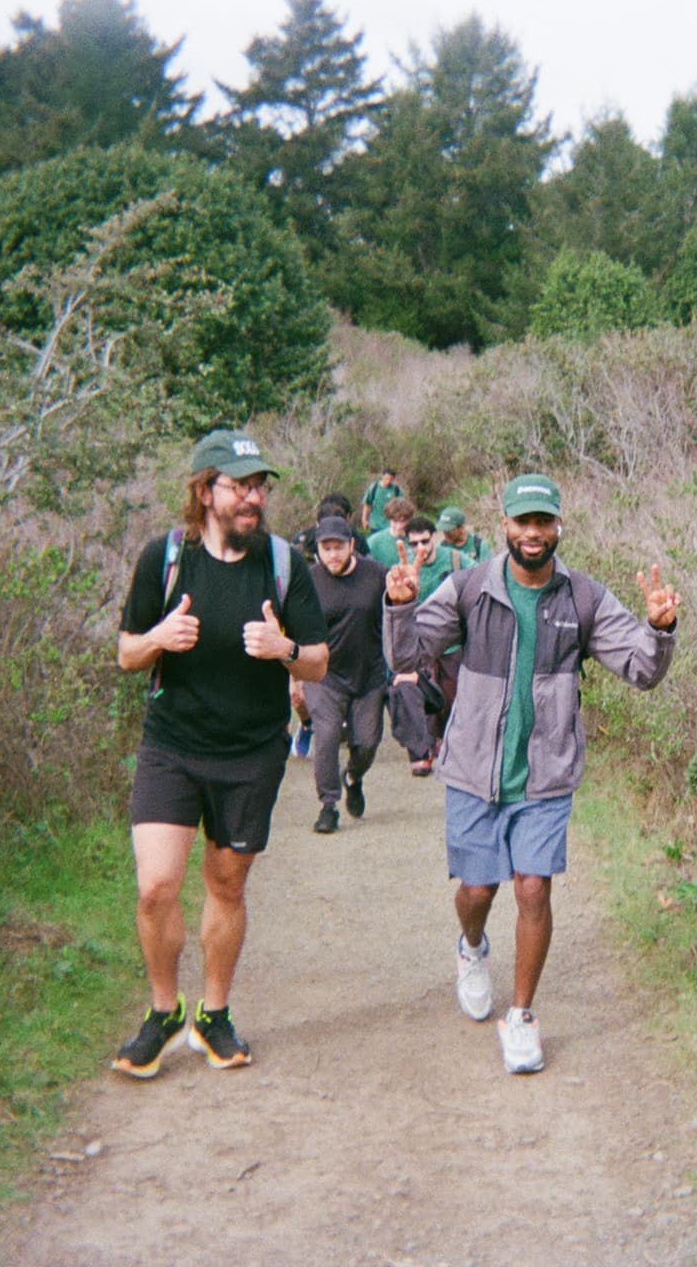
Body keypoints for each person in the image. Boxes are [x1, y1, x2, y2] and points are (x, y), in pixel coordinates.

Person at [386, 473, 680, 1074]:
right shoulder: (469, 588)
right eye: (523, 522)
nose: (533, 533)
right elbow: (408, 657)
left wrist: (660, 629)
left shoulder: (584, 599)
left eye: (543, 521)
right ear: (505, 526)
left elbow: (642, 670)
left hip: (545, 774)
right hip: (474, 769)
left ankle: (520, 1016)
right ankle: (472, 946)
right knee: (478, 890)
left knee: (532, 889)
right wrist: (400, 607)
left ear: (558, 526)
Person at [111, 429, 330, 1078]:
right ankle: (163, 1012)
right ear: (206, 492)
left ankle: (213, 1015)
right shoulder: (164, 558)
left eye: (259, 486)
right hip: (172, 745)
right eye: (240, 486)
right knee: (156, 888)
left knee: (226, 885)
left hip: (251, 752)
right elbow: (126, 653)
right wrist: (158, 637)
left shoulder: (284, 565)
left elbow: (319, 662)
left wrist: (284, 650)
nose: (253, 497)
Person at [290, 514, 389, 834]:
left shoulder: (376, 575)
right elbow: (296, 632)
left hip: (369, 672)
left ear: (351, 546)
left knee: (368, 741)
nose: (332, 555)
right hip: (324, 675)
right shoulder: (309, 581)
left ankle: (353, 777)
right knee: (327, 736)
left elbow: (397, 612)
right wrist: (295, 677)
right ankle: (328, 805)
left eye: (338, 547)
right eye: (325, 548)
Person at [386, 515, 461, 777]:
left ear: (434, 538)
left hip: (451, 645)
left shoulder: (457, 561)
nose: (420, 548)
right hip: (419, 647)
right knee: (416, 695)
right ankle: (423, 751)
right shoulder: (402, 569)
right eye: (414, 543)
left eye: (425, 541)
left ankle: (443, 741)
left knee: (449, 698)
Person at [366, 495, 416, 566]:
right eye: (395, 521)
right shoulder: (374, 542)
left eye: (403, 521)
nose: (399, 526)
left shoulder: (418, 540)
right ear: (389, 519)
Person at [359, 467, 402, 533]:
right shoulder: (374, 488)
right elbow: (367, 504)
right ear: (382, 476)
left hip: (390, 525)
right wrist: (364, 520)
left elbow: (401, 506)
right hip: (375, 524)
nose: (388, 481)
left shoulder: (396, 489)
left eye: (391, 479)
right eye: (387, 478)